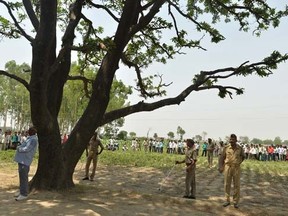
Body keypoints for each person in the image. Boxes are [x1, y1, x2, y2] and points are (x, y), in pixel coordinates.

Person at [219, 134, 245, 208]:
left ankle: (235, 202)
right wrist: (221, 166)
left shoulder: (240, 148)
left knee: (237, 185)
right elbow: (222, 157)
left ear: (236, 140)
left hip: (236, 168)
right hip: (228, 167)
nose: (231, 141)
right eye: (230, 139)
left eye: (233, 139)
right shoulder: (226, 148)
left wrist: (238, 162)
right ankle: (227, 200)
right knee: (227, 184)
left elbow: (243, 157)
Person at [14, 126, 38, 201]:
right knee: (22, 177)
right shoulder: (30, 138)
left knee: (24, 177)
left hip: (25, 161)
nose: (28, 132)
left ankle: (24, 194)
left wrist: (19, 149)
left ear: (33, 132)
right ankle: (21, 191)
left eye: (29, 131)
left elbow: (27, 148)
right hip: (22, 160)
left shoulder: (33, 140)